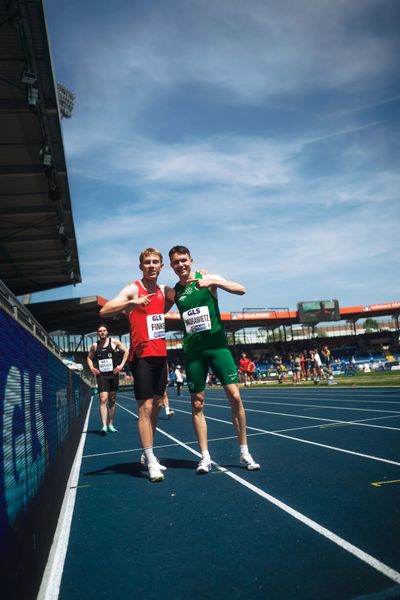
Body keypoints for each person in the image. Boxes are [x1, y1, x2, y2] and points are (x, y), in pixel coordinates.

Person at [166, 245, 260, 474]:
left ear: (191, 260)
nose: (180, 265)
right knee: (197, 403)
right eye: (176, 262)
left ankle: (244, 451)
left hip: (218, 348)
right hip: (194, 352)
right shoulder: (173, 292)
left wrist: (215, 283)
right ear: (171, 265)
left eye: (183, 260)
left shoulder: (207, 278)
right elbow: (154, 307)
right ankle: (205, 457)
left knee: (235, 397)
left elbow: (241, 289)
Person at [99, 247, 174, 482]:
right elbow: (105, 310)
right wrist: (132, 303)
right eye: (147, 262)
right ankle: (151, 460)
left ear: (162, 266)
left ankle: (147, 452)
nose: (151, 265)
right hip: (140, 357)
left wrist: (201, 276)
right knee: (146, 408)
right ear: (141, 266)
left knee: (159, 405)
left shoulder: (164, 290)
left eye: (156, 262)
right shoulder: (133, 288)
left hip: (160, 356)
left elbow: (185, 290)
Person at [87, 324, 129, 435]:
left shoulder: (114, 342)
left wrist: (121, 365)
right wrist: (92, 368)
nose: (102, 332)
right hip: (102, 376)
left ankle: (110, 424)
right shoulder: (95, 346)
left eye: (104, 330)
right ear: (97, 333)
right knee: (103, 399)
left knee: (112, 399)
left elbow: (126, 352)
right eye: (100, 331)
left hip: (113, 374)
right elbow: (89, 358)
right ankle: (104, 426)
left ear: (107, 332)